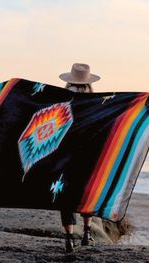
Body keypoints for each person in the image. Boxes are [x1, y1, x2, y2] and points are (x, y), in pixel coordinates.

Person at [59, 63, 101, 253]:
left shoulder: (61, 101)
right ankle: (86, 233)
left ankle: (69, 238)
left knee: (66, 197)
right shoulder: (96, 103)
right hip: (88, 155)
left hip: (65, 154)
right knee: (87, 193)